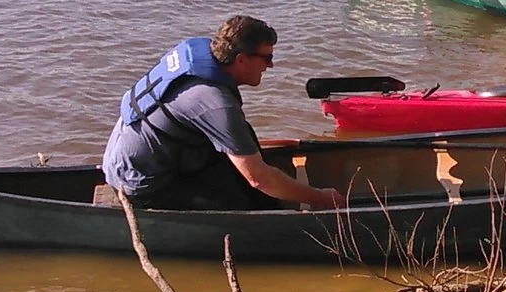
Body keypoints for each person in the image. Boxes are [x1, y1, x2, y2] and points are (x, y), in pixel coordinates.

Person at [99, 16, 347, 213]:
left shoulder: (203, 58)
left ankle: (268, 202)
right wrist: (320, 197)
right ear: (241, 60)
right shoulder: (215, 103)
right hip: (141, 182)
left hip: (142, 154)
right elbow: (258, 179)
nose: (271, 65)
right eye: (267, 58)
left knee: (244, 137)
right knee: (238, 208)